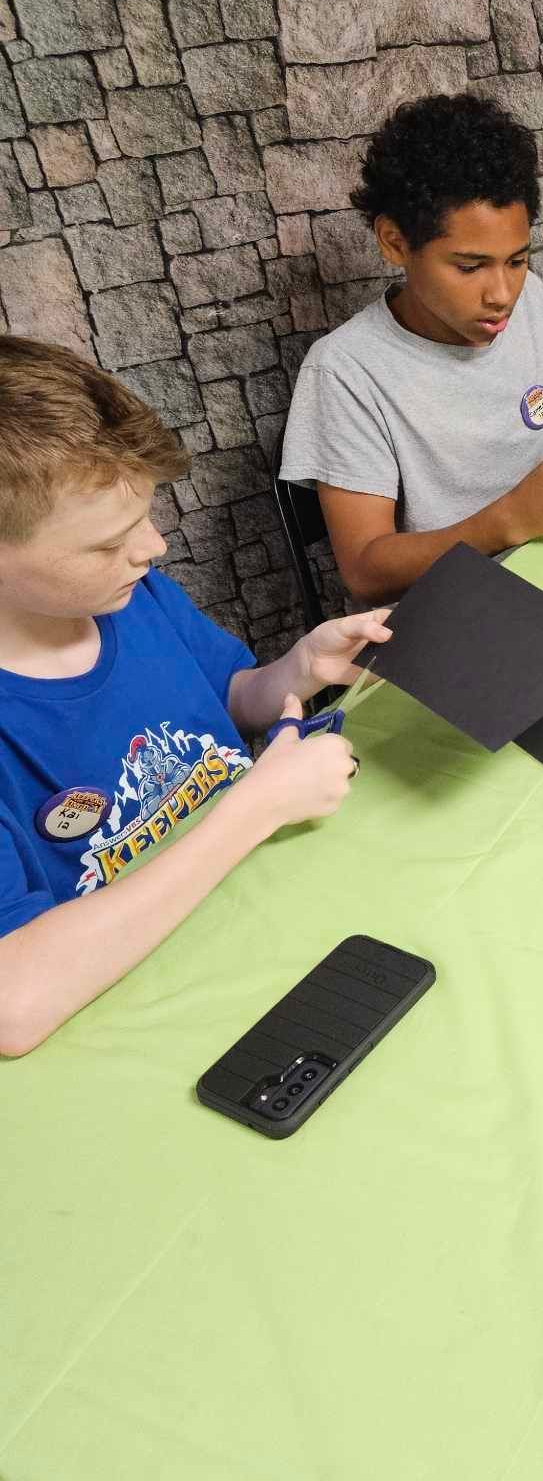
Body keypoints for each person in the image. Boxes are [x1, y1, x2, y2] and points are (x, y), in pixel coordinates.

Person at [0, 336, 390, 1056]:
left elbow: (234, 698)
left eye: (147, 517)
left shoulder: (136, 597)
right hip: (146, 1023)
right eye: (105, 543)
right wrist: (257, 808)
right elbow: (15, 1005)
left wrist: (300, 670)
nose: (155, 549)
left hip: (269, 924)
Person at [281, 92, 543, 602]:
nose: (502, 294)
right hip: (448, 616)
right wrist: (510, 520)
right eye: (469, 267)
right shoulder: (346, 371)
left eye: (517, 261)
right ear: (394, 242)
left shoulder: (531, 303)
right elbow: (366, 568)